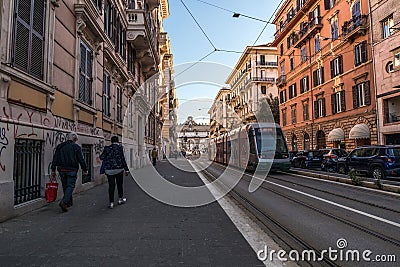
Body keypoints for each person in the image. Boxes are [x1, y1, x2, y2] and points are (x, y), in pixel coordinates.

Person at [51, 132, 88, 212]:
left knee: (65, 186)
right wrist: (85, 169)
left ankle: (68, 202)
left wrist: (53, 169)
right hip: (72, 169)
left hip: (61, 169)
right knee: (70, 186)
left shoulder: (60, 146)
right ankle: (64, 202)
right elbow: (81, 159)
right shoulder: (76, 147)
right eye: (76, 139)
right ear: (74, 139)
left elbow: (55, 158)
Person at [100, 136, 129, 209]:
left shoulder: (107, 148)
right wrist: (126, 169)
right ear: (118, 141)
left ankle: (111, 203)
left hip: (109, 170)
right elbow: (123, 159)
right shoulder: (120, 148)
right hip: (119, 169)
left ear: (111, 141)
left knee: (111, 186)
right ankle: (120, 199)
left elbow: (101, 157)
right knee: (119, 185)